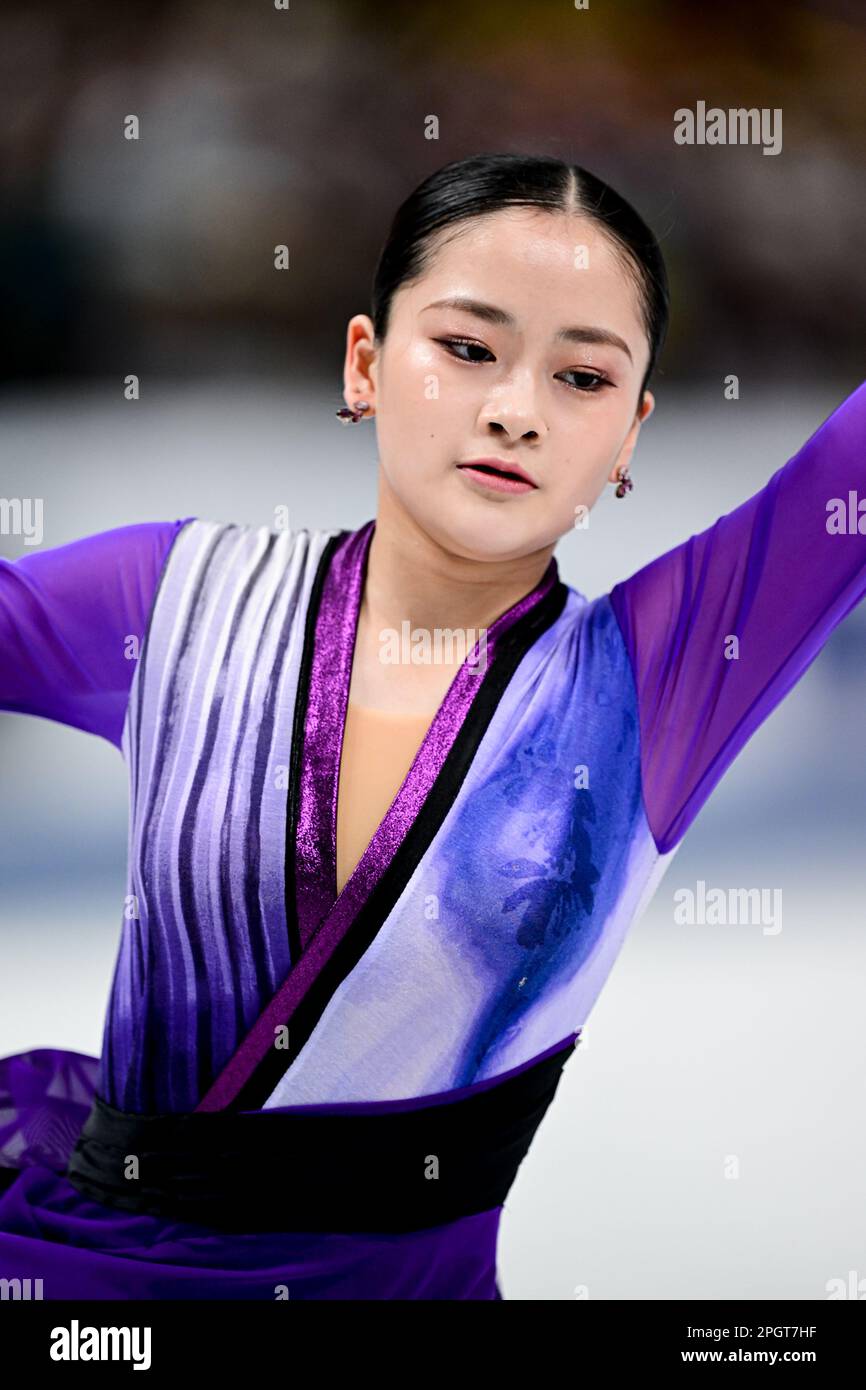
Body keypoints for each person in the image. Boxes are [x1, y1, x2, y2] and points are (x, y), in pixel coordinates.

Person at [0, 152, 863, 1300]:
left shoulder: (653, 679)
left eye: (582, 379)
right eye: (466, 349)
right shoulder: (173, 597)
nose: (514, 409)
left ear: (630, 436)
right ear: (365, 362)